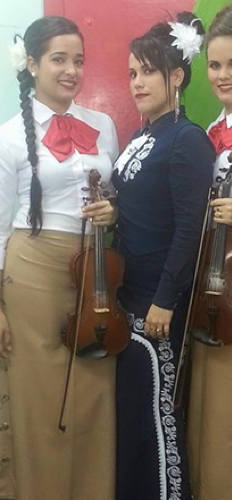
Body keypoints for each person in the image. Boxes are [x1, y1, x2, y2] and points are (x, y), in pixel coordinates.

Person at [0, 17, 120, 500]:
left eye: (78, 60)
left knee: (94, 385)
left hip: (96, 270)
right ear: (32, 63)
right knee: (39, 399)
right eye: (59, 59)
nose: (71, 70)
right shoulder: (6, 137)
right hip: (32, 272)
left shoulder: (103, 126)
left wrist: (110, 209)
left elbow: (115, 196)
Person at [110, 12, 213, 500]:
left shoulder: (187, 140)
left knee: (160, 420)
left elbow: (190, 230)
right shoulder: (141, 136)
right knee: (135, 416)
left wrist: (166, 300)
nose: (136, 82)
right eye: (132, 73)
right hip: (128, 298)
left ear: (176, 76)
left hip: (158, 306)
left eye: (147, 71)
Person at [190, 6, 232, 498]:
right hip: (215, 284)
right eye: (215, 65)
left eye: (230, 65)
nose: (222, 76)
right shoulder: (206, 134)